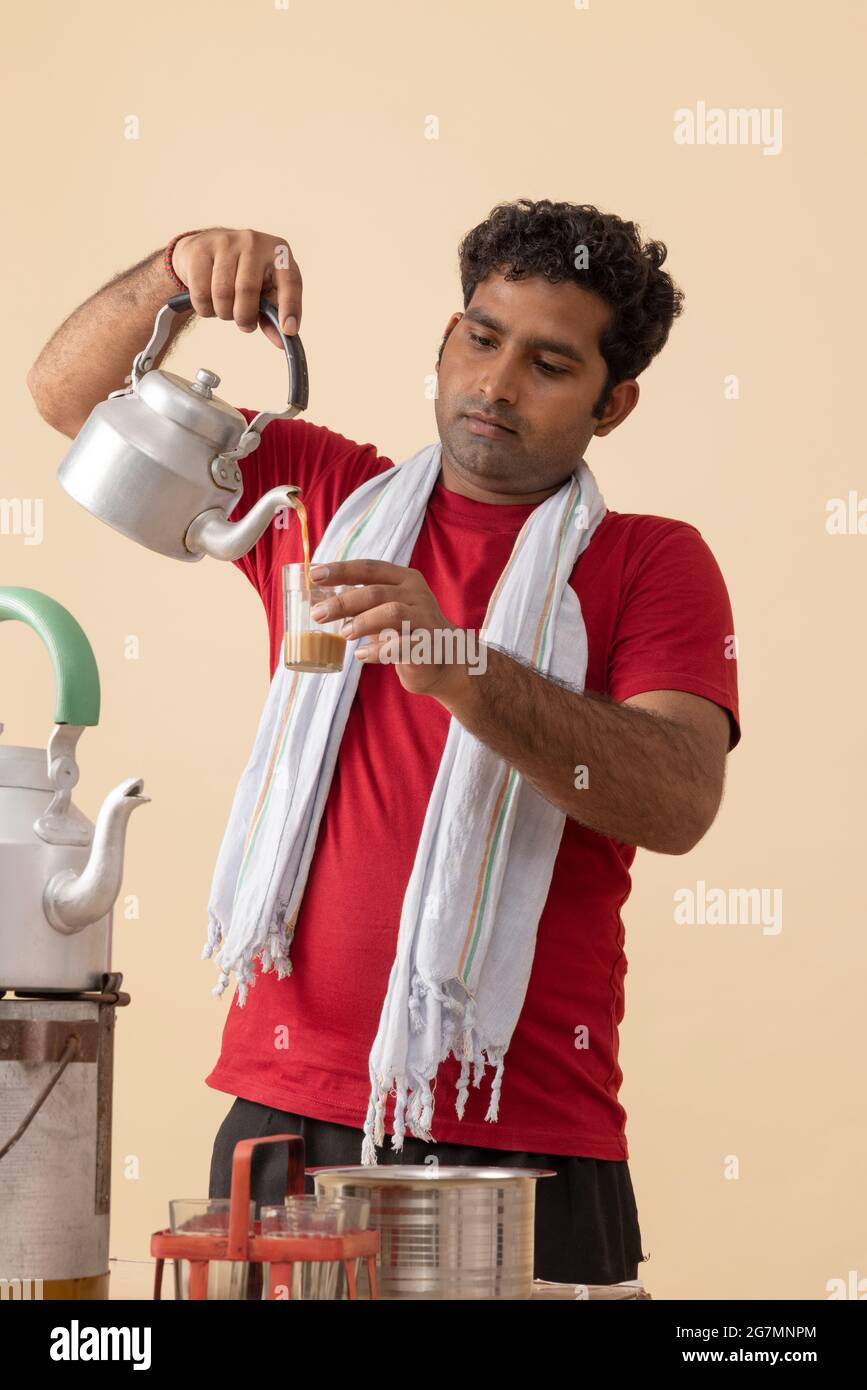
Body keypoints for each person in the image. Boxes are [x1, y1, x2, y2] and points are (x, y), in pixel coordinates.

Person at [27, 200, 740, 1287]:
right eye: (481, 337)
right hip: (282, 1118)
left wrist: (460, 664)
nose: (496, 385)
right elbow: (69, 400)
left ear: (615, 403)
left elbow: (678, 796)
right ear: (446, 340)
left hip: (524, 1133)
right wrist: (177, 273)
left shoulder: (653, 562)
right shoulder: (318, 497)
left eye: (550, 363)